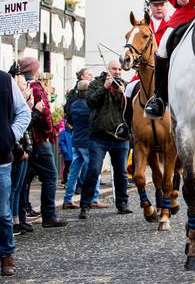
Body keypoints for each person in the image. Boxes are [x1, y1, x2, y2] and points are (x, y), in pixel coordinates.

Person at [18, 57, 67, 228]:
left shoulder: (20, 85)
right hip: (39, 139)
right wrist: (49, 132)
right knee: (51, 176)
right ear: (35, 69)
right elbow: (44, 112)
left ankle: (21, 218)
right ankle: (49, 216)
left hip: (27, 140)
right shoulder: (35, 86)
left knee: (24, 179)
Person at [79, 60, 132, 219]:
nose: (117, 72)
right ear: (108, 70)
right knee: (94, 169)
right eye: (114, 69)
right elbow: (90, 102)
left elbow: (131, 109)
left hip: (120, 136)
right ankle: (85, 204)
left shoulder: (125, 85)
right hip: (99, 136)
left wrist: (125, 96)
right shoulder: (96, 83)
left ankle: (122, 203)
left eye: (119, 69)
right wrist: (104, 88)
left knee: (121, 172)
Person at [123, 0, 170, 132]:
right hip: (144, 71)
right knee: (129, 90)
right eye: (155, 5)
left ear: (166, 5)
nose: (159, 7)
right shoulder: (142, 25)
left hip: (167, 71)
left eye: (162, 4)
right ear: (150, 6)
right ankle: (125, 125)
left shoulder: (172, 23)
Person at [0, 67, 31, 276]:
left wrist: (10, 136)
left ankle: (6, 255)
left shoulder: (4, 80)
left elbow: (24, 111)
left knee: (2, 212)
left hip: (0, 159)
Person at [63, 80, 105, 210]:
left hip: (76, 141)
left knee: (74, 172)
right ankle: (94, 198)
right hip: (87, 142)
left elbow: (69, 120)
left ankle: (68, 199)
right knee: (95, 170)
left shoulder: (74, 104)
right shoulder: (89, 105)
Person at [9, 71, 34, 236]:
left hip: (24, 149)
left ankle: (17, 219)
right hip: (16, 151)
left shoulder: (23, 106)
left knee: (19, 187)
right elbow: (11, 128)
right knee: (13, 188)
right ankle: (11, 221)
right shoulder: (12, 104)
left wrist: (28, 149)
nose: (27, 87)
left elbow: (27, 130)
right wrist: (20, 150)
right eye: (23, 85)